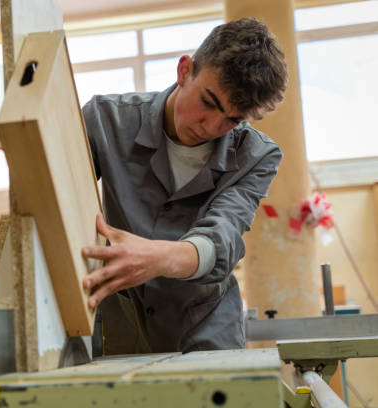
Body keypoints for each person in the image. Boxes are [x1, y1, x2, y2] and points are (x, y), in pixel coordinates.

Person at [80, 17, 288, 354]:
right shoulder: (104, 121)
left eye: (232, 120)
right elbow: (56, 199)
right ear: (184, 70)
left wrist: (159, 257)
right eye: (208, 102)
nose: (211, 126)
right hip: (119, 324)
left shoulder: (256, 155)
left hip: (207, 327)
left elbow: (223, 234)